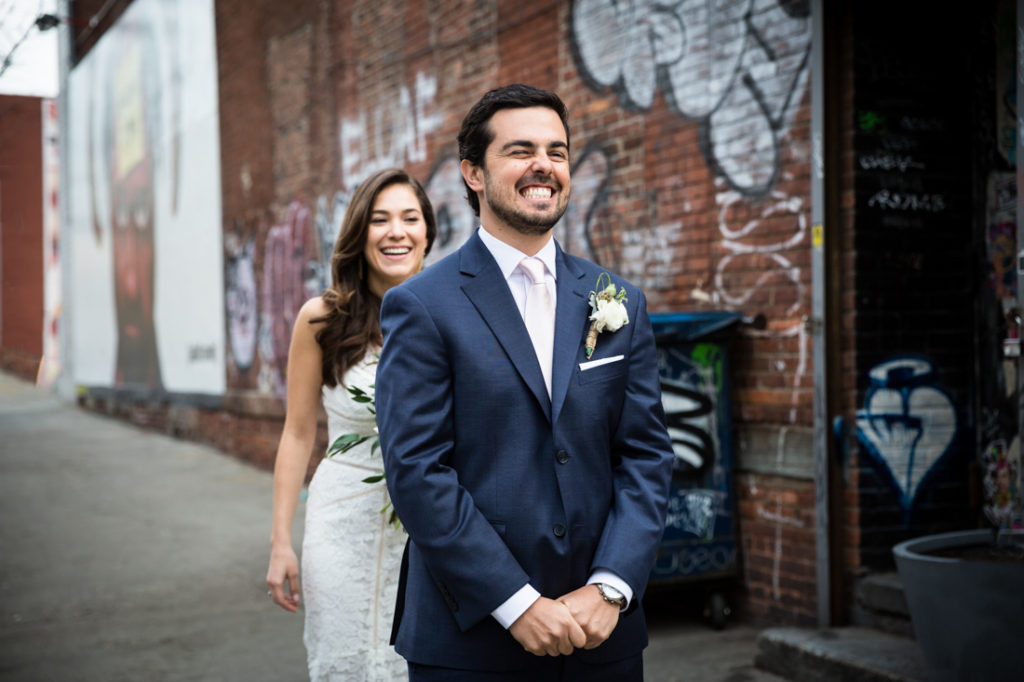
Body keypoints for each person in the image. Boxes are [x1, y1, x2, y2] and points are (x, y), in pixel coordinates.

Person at [375, 84, 674, 681]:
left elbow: (645, 455)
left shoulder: (618, 301)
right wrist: (516, 603)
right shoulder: (421, 306)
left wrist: (611, 588)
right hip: (472, 641)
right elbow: (418, 471)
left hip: (603, 638)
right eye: (520, 150)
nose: (544, 165)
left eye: (557, 152)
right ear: (473, 173)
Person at [265, 168, 437, 681]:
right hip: (341, 522)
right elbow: (297, 433)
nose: (396, 232)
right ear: (360, 234)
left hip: (430, 528)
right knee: (343, 660)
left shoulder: (451, 314)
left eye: (410, 218)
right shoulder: (321, 319)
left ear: (428, 231)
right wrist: (279, 543)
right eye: (380, 220)